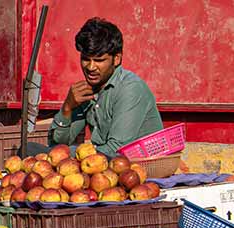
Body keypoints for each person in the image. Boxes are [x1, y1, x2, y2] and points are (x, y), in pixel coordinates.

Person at [47, 17, 163, 157]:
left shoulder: (130, 88)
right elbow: (58, 144)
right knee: (30, 149)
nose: (90, 67)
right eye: (85, 59)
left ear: (117, 59)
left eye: (99, 60)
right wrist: (67, 108)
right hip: (101, 164)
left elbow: (117, 150)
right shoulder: (87, 90)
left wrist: (67, 154)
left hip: (135, 167)